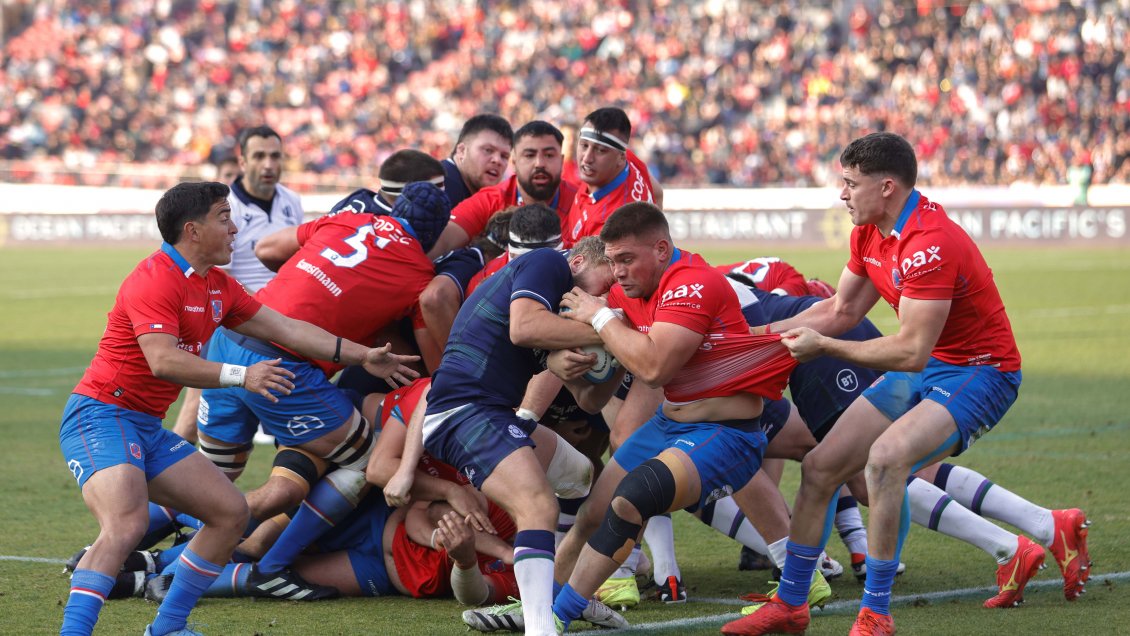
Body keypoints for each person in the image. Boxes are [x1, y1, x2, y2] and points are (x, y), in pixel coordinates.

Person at [721, 132, 1084, 636]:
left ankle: (876, 612)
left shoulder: (928, 244)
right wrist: (749, 340)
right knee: (824, 466)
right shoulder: (871, 231)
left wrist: (824, 348)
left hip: (980, 372)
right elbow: (839, 309)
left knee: (886, 460)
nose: (842, 195)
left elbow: (910, 348)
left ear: (887, 186)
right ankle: (791, 604)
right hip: (929, 367)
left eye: (850, 184)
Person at [57, 182, 416, 636]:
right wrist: (241, 375)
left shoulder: (217, 286)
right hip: (99, 415)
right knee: (125, 525)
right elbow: (163, 360)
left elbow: (286, 328)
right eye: (224, 216)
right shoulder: (153, 279)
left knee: (229, 514)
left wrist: (361, 355)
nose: (235, 226)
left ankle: (166, 627)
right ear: (193, 230)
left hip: (143, 425)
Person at [532, 202, 798, 632]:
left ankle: (556, 619)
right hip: (670, 425)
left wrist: (600, 318)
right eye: (612, 260)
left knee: (633, 496)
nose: (617, 272)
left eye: (626, 259)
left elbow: (654, 369)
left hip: (725, 432)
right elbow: (592, 399)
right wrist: (565, 361)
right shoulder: (628, 292)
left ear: (660, 249)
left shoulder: (692, 282)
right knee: (592, 513)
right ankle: (535, 606)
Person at [192, 182, 449, 581]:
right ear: (434, 235)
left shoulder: (350, 219)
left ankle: (134, 551)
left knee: (211, 480)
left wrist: (311, 281)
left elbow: (270, 249)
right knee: (370, 458)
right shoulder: (420, 271)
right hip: (283, 365)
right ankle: (270, 568)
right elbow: (429, 357)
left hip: (228, 340)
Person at [420, 237, 617, 636]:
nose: (605, 297)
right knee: (538, 507)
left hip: (488, 411)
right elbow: (523, 328)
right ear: (578, 261)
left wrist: (617, 360)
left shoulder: (561, 316)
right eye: (605, 283)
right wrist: (608, 328)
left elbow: (590, 400)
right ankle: (541, 626)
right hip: (463, 409)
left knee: (583, 478)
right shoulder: (548, 263)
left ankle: (561, 593)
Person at [171, 126, 303, 444]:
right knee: (194, 415)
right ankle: (160, 488)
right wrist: (260, 305)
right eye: (259, 156)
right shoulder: (226, 207)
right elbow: (216, 277)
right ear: (243, 162)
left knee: (293, 415)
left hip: (280, 324)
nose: (269, 164)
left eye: (275, 156)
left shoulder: (291, 201)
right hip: (230, 324)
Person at [428, 120, 579, 258]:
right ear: (514, 162)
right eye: (529, 155)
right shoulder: (491, 198)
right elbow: (442, 242)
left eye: (549, 155)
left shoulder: (580, 202)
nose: (539, 163)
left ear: (561, 160)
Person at [562, 107, 656, 248]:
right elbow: (658, 193)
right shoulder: (628, 159)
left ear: (620, 158)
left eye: (600, 150)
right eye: (584, 145)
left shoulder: (612, 224)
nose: (587, 158)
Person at [441, 114, 514, 208]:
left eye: (504, 156)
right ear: (462, 151)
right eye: (488, 150)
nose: (497, 160)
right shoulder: (439, 189)